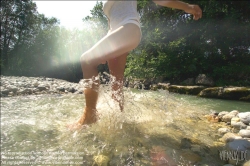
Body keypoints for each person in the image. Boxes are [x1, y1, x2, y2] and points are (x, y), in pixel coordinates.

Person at [69, 0, 202, 128]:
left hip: (129, 28)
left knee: (86, 60)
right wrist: (106, 49)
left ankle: (89, 117)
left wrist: (188, 7)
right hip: (117, 33)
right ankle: (119, 122)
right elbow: (112, 22)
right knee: (116, 83)